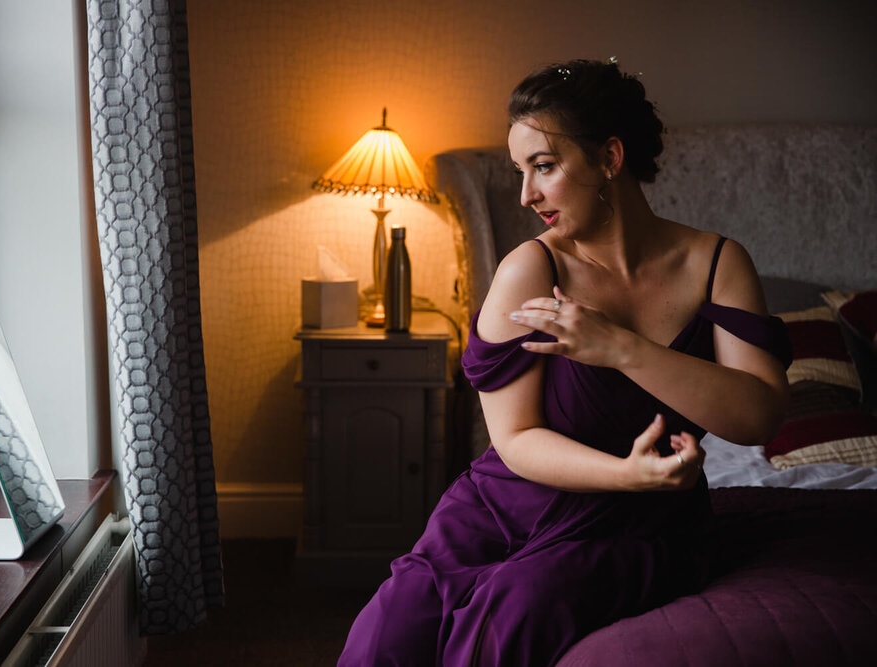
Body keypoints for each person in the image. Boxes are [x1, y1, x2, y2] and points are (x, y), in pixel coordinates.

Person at [338, 59, 792, 666]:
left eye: (544, 167)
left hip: (639, 524)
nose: (526, 195)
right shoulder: (530, 269)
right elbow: (517, 437)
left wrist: (623, 350)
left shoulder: (716, 264)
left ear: (609, 157)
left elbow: (756, 418)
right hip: (506, 507)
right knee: (392, 626)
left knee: (514, 612)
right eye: (519, 171)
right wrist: (626, 472)